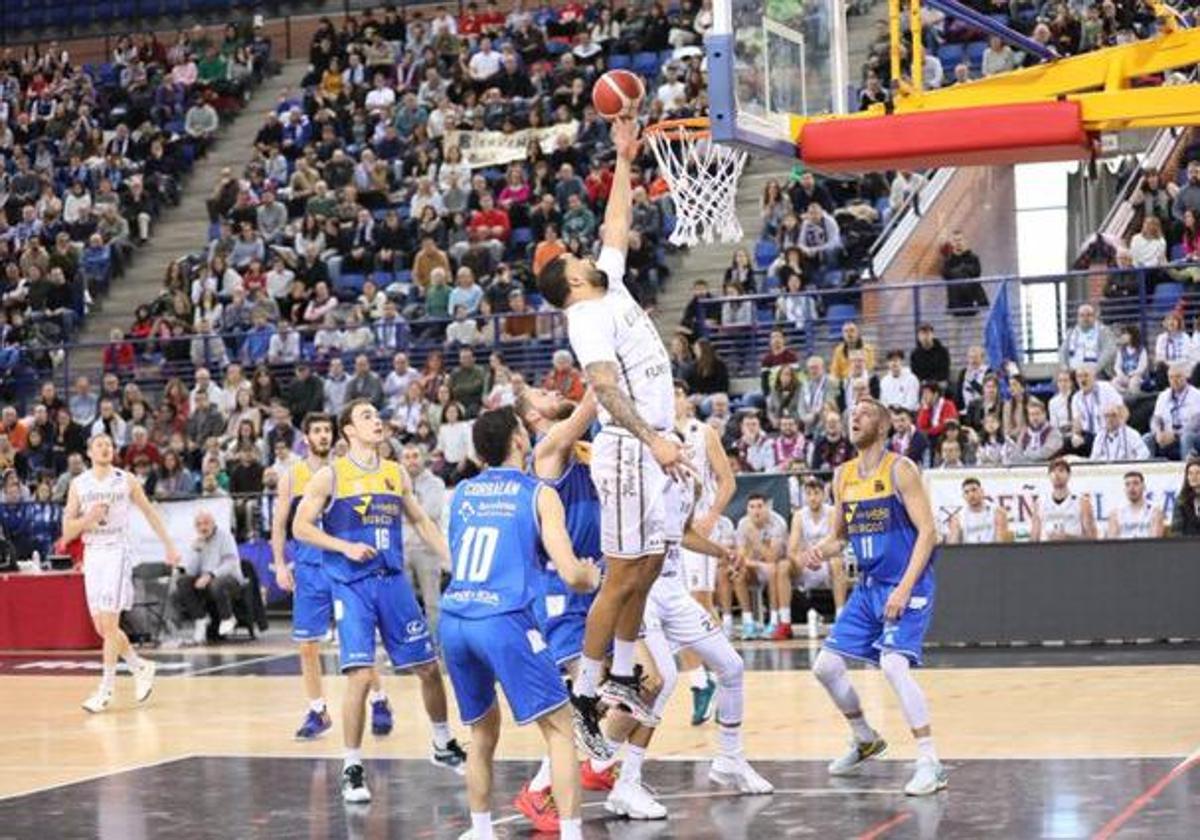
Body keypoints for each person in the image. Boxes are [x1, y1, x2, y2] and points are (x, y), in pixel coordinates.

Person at [535, 116, 692, 752]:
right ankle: (586, 690)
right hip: (630, 448)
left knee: (650, 564)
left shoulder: (610, 281)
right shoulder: (587, 320)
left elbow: (615, 226)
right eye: (576, 259)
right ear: (572, 281)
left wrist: (626, 158)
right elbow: (602, 388)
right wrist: (653, 439)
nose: (586, 254)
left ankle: (624, 674)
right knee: (623, 573)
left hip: (652, 446)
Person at [293, 399, 467, 803]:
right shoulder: (330, 476)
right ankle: (352, 766)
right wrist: (343, 546)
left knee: (427, 667)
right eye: (366, 416)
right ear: (348, 431)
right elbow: (301, 526)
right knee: (358, 674)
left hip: (393, 583)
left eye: (377, 415)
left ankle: (442, 742)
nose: (377, 421)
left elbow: (422, 521)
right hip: (352, 585)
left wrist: (453, 561)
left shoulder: (395, 472)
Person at [439, 407, 600, 840]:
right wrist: (592, 574)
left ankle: (480, 830)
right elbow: (571, 573)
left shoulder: (463, 493)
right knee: (561, 729)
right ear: (517, 441)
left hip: (454, 618)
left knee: (481, 730)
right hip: (502, 619)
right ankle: (571, 833)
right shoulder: (538, 493)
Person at [593, 472, 775, 821]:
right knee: (662, 679)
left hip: (675, 593)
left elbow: (684, 534)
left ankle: (729, 759)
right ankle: (624, 780)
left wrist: (723, 552)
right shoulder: (632, 480)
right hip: (641, 594)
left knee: (731, 666)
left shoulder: (685, 485)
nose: (682, 452)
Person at [799, 398, 946, 796]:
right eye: (852, 414)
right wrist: (818, 551)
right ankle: (864, 736)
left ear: (882, 427)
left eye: (864, 413)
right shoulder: (843, 475)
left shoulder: (901, 469)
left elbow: (929, 532)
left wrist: (903, 588)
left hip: (906, 583)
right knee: (825, 667)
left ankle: (930, 761)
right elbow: (839, 538)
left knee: (894, 666)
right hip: (867, 588)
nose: (855, 417)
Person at [509, 387, 605, 828]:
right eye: (544, 392)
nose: (554, 391)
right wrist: (604, 366)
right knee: (590, 692)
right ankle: (539, 787)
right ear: (532, 415)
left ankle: (587, 764)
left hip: (595, 578)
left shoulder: (583, 442)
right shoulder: (549, 447)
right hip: (561, 586)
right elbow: (594, 399)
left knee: (615, 687)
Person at [272, 413, 392, 740]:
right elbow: (280, 524)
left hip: (344, 565)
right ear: (306, 437)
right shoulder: (292, 476)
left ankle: (379, 700)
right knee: (307, 645)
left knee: (358, 642)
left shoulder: (345, 471)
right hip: (310, 569)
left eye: (327, 430)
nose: (323, 435)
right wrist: (281, 565)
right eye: (317, 431)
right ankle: (317, 709)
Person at [63, 433, 182, 712]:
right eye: (99, 445)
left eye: (109, 445)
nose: (105, 448)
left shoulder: (126, 480)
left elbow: (151, 513)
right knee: (102, 628)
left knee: (110, 625)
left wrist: (169, 546)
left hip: (117, 550)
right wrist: (87, 519)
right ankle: (140, 666)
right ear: (89, 452)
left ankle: (105, 690)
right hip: (93, 554)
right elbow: (67, 531)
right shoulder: (78, 485)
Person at [673, 382, 736, 723]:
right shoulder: (656, 435)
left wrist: (712, 516)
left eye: (677, 392)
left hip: (697, 525)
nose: (671, 399)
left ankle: (726, 672)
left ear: (687, 398)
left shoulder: (703, 432)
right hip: (668, 530)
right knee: (672, 608)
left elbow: (727, 481)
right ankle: (699, 682)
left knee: (699, 602)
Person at [173, 511, 246, 643]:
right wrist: (196, 551)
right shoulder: (197, 541)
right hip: (206, 581)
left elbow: (230, 563)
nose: (203, 527)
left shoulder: (225, 536)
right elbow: (191, 571)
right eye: (199, 524)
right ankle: (201, 619)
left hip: (229, 579)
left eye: (206, 523)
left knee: (216, 583)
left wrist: (211, 575)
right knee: (182, 582)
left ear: (213, 523)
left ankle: (227, 617)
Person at [787, 475, 847, 615]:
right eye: (808, 494)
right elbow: (792, 547)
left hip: (827, 561)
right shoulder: (799, 515)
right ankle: (782, 618)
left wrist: (817, 554)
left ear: (824, 494)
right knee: (784, 565)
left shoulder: (832, 512)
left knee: (837, 561)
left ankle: (840, 614)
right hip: (805, 563)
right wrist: (802, 559)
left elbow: (837, 541)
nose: (812, 498)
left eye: (816, 493)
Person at [737, 494, 791, 639]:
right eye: (752, 507)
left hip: (779, 569)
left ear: (767, 508)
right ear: (747, 509)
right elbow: (741, 557)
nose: (756, 511)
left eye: (760, 506)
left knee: (774, 568)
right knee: (738, 572)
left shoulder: (778, 522)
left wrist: (755, 540)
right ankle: (748, 622)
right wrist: (755, 563)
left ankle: (773, 621)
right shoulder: (743, 524)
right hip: (755, 567)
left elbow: (773, 557)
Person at [1030, 458, 1097, 542]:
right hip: (1046, 551)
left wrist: (1068, 537)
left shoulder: (1081, 502)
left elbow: (1092, 538)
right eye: (1053, 471)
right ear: (1049, 476)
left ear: (1068, 475)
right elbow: (1034, 538)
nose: (1057, 474)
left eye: (1061, 470)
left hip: (1074, 550)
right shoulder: (1040, 503)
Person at [946, 477, 1011, 544]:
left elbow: (1001, 543)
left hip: (992, 552)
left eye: (974, 490)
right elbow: (952, 544)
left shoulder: (998, 512)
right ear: (963, 496)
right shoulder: (958, 517)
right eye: (966, 492)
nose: (971, 495)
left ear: (982, 491)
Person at [1105, 471, 1164, 540]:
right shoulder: (1115, 513)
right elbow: (1112, 543)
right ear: (1124, 489)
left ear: (1143, 487)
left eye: (1135, 483)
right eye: (1127, 484)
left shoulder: (1154, 511)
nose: (1131, 488)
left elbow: (1155, 541)